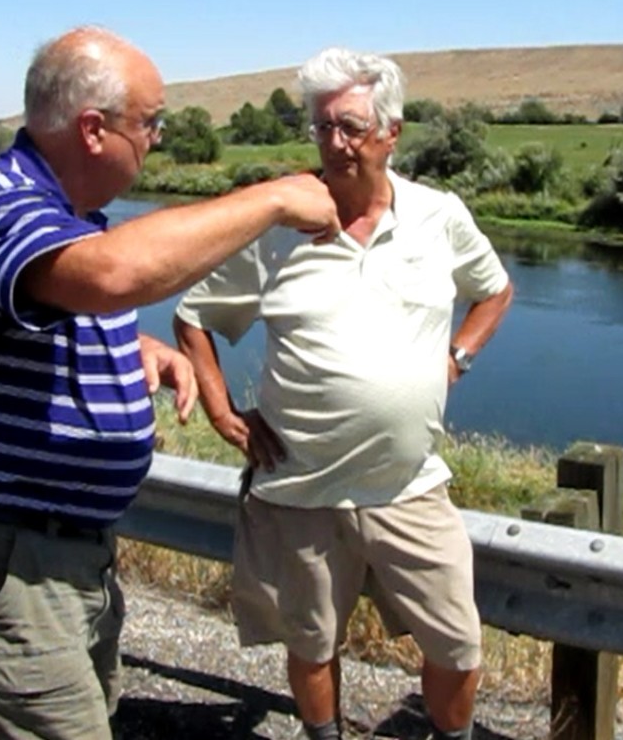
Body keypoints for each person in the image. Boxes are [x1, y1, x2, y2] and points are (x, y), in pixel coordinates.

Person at [0, 25, 340, 740]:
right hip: (5, 545)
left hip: (55, 547)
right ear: (93, 129)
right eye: (149, 121)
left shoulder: (65, 215)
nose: (157, 137)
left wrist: (135, 347)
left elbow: (65, 299)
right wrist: (273, 199)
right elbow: (108, 275)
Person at [173, 47, 513, 740]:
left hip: (410, 485)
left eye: (351, 127)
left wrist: (457, 357)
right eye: (322, 127)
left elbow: (496, 288)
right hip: (299, 488)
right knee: (312, 642)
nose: (334, 142)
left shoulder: (437, 216)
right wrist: (220, 410)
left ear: (392, 131)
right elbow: (193, 315)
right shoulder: (278, 227)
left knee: (457, 644)